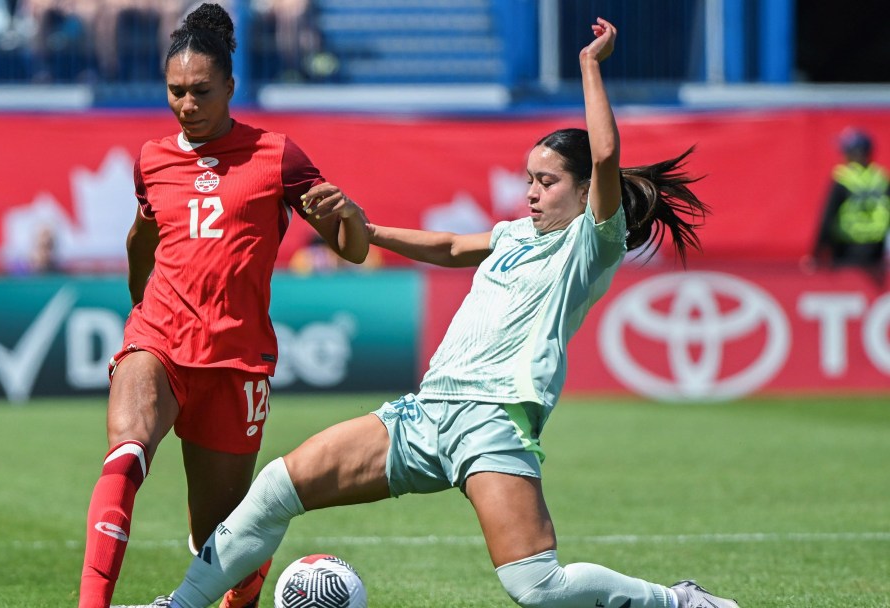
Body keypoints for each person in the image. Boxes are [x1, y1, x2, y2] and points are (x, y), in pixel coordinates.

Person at [118, 18, 739, 608]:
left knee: (537, 587)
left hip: (492, 423)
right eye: (528, 178)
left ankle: (673, 599)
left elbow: (605, 157)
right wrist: (368, 227)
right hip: (424, 414)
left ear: (583, 194)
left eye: (547, 182)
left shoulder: (590, 244)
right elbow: (447, 247)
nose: (531, 191)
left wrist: (588, 68)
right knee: (277, 488)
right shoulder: (516, 233)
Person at [76, 4, 370, 608]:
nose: (187, 104)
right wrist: (140, 312)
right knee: (126, 453)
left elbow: (351, 249)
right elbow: (142, 239)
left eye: (201, 91)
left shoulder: (278, 156)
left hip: (236, 359)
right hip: (158, 338)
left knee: (221, 542)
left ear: (231, 87)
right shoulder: (152, 159)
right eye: (176, 92)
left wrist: (349, 216)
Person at [805, 127, 889, 285]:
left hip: (846, 251)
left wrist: (816, 253)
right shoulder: (882, 178)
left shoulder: (843, 178)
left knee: (850, 292)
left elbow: (827, 218)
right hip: (876, 253)